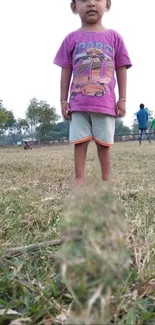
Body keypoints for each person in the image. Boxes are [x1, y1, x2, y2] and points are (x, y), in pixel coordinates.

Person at [54, 0, 132, 185]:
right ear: (74, 7)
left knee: (104, 143)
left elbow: (121, 68)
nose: (91, 3)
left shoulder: (114, 37)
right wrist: (63, 101)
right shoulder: (71, 39)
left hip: (105, 104)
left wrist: (122, 99)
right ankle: (79, 178)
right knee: (79, 142)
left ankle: (106, 178)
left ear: (107, 4)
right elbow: (66, 70)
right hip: (78, 103)